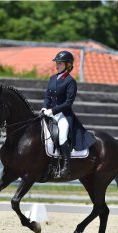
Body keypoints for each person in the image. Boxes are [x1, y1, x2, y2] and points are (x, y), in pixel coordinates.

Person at [41, 50, 96, 179]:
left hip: (64, 115)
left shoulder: (70, 81)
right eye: (57, 63)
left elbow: (68, 103)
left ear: (68, 65)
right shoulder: (52, 78)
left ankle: (66, 166)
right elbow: (48, 96)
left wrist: (52, 111)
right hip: (49, 113)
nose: (57, 65)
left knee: (62, 137)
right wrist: (44, 107)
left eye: (60, 63)